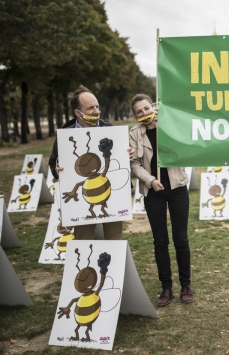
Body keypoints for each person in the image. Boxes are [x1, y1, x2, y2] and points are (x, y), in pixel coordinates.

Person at [129, 94, 194, 305]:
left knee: (181, 239)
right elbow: (135, 164)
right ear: (135, 115)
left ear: (153, 107)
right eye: (139, 112)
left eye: (146, 108)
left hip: (177, 188)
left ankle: (186, 284)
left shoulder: (170, 125)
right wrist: (150, 180)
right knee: (160, 242)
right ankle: (166, 287)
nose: (144, 114)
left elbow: (187, 146)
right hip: (153, 192)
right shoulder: (134, 134)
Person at [48, 85, 130, 240]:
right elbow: (53, 164)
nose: (96, 111)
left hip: (113, 199)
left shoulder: (111, 131)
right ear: (78, 113)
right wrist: (57, 170)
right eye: (90, 108)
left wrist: (128, 155)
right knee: (82, 241)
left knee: (114, 240)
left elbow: (121, 161)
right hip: (81, 203)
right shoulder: (65, 137)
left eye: (97, 106)